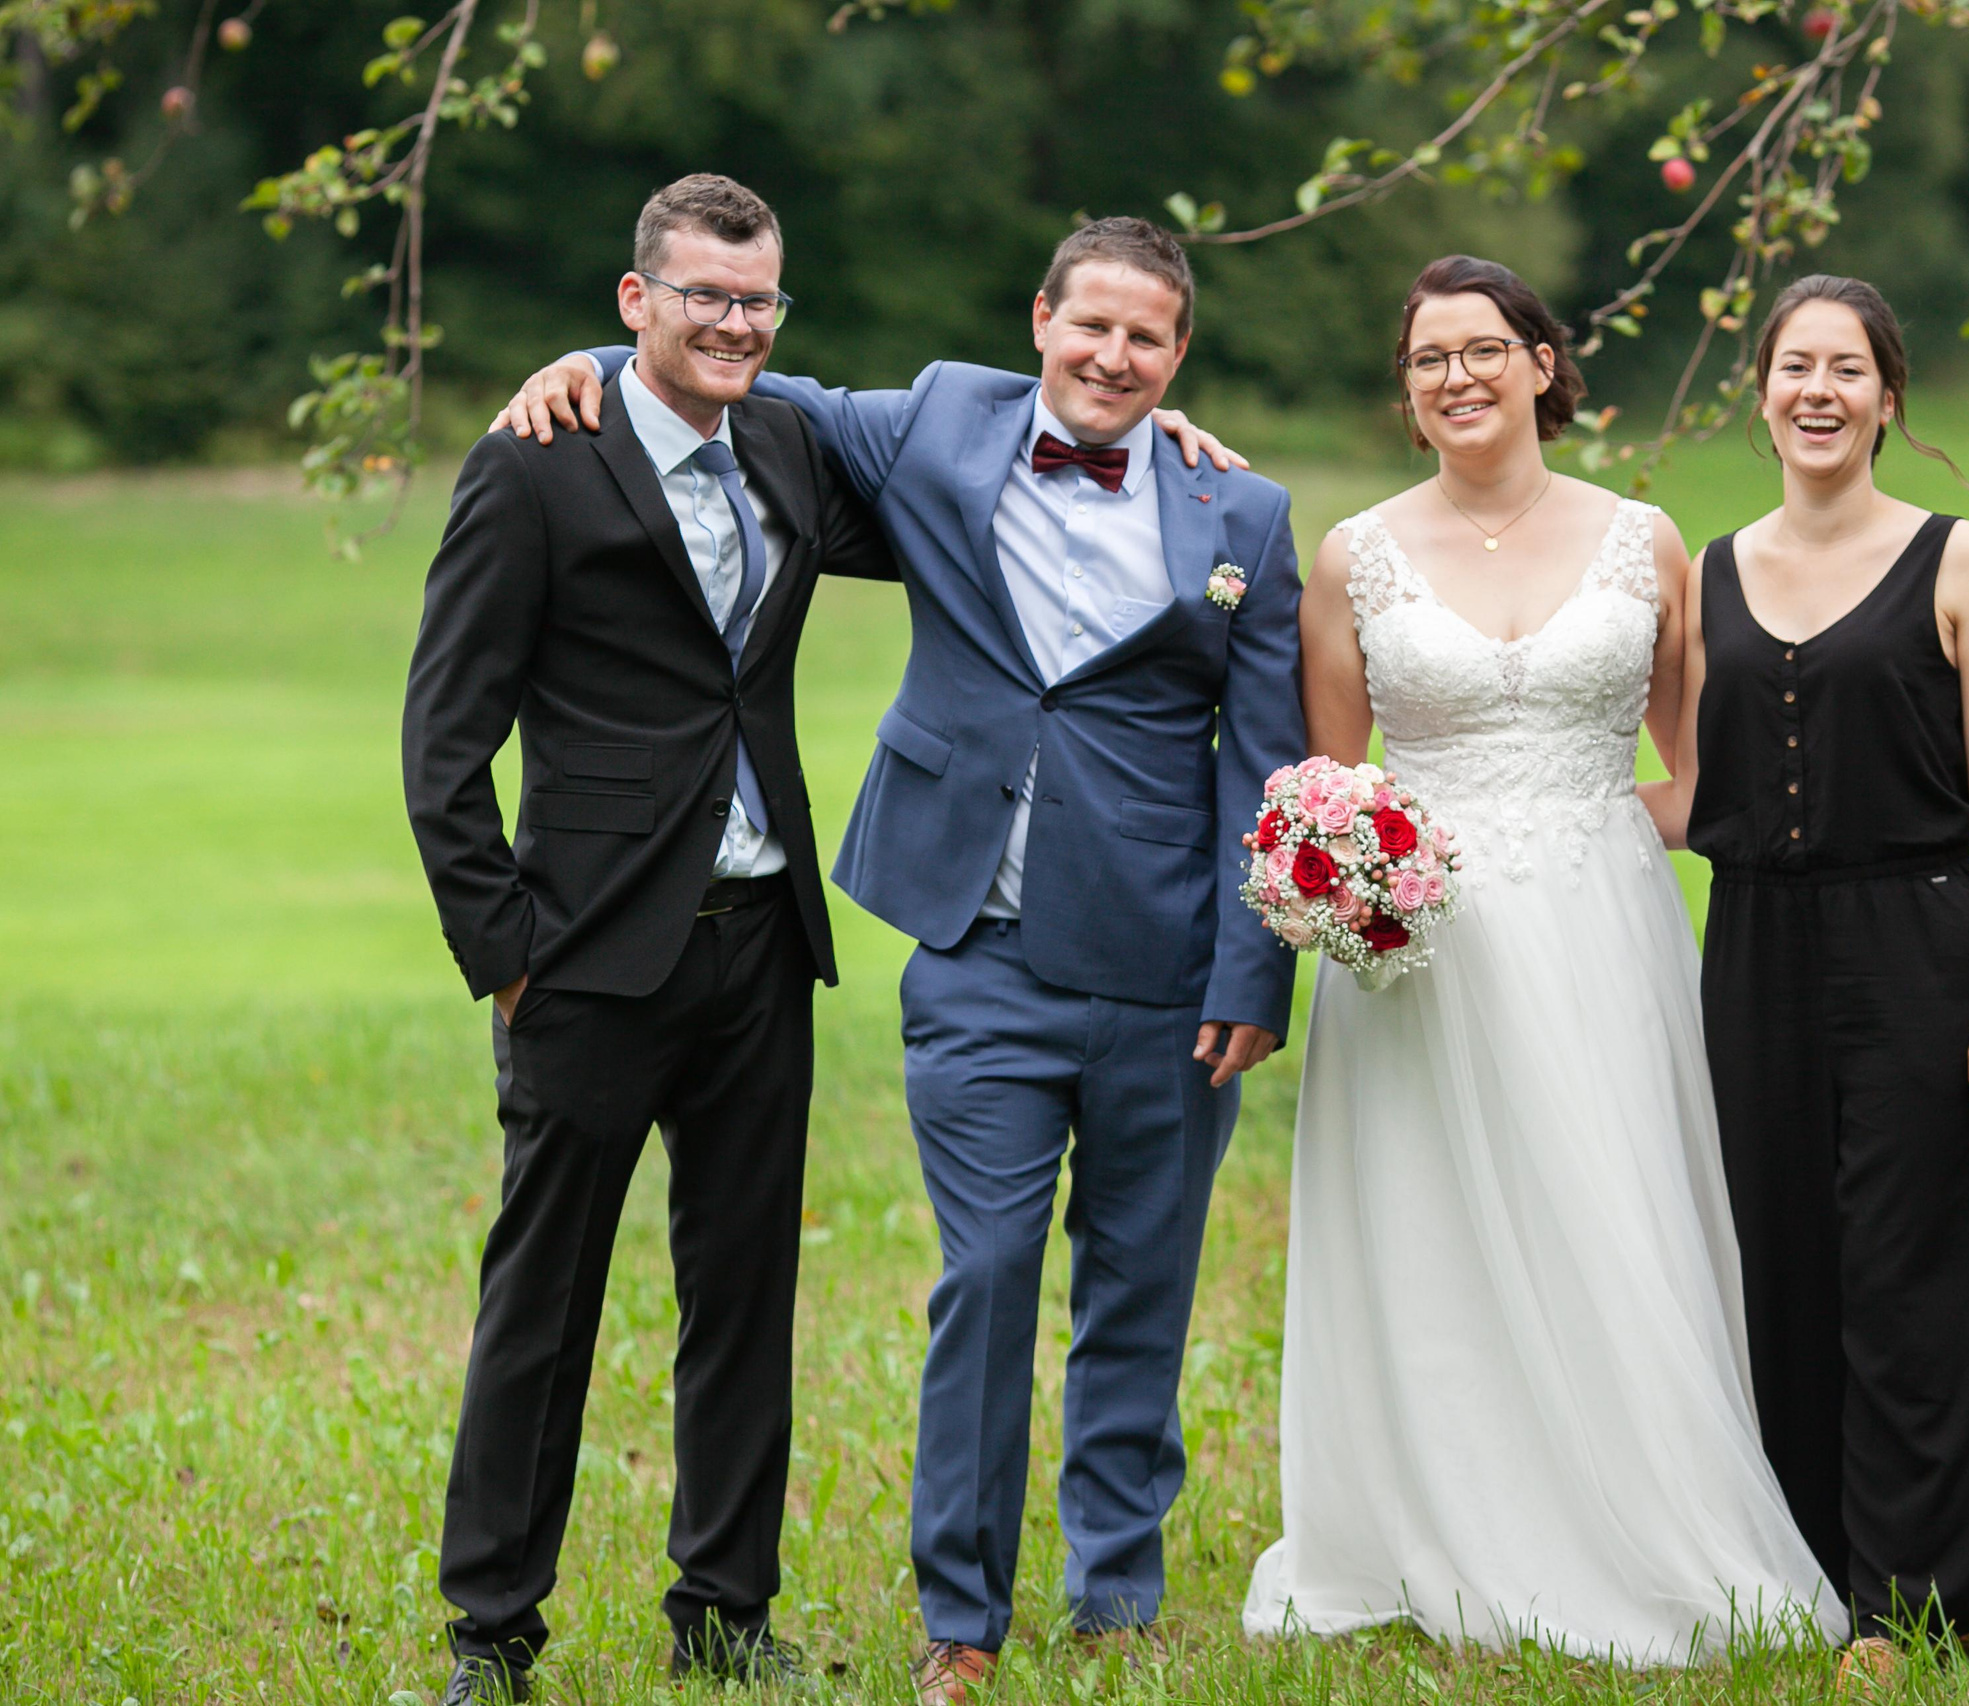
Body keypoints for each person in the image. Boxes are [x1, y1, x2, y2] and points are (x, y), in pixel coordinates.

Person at [493, 217, 1303, 1703]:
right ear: (1039, 318)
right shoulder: (938, 418)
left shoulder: (1238, 516)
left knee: (1141, 1282)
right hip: (976, 948)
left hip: (1165, 956)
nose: (1114, 357)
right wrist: (597, 358)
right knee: (985, 1274)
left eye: (1147, 338)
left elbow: (1266, 762)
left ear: (1180, 353)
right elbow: (729, 360)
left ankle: (1116, 1584)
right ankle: (962, 1617)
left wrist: (1253, 971)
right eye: (1091, 327)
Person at [1242, 255, 1848, 1663]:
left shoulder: (1645, 542)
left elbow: (1702, 777)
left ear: (1540, 364)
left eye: (1481, 349)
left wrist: (1563, 829)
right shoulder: (1356, 554)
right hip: (1416, 949)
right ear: (1408, 395)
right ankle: (1439, 1513)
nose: (1455, 376)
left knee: (1609, 1202)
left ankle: (1644, 1509)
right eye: (1425, 360)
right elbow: (1330, 784)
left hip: (1599, 918)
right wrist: (1373, 875)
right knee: (1430, 1220)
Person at [403, 174, 896, 1704]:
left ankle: (726, 1612)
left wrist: (1147, 434)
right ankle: (494, 1631)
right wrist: (507, 949)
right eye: (706, 296)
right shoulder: (536, 463)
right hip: (590, 955)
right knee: (541, 1301)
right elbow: (441, 738)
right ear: (638, 303)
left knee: (746, 1293)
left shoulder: (794, 449)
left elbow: (971, 470)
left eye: (760, 300)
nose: (737, 323)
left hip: (762, 942)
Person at [1665, 273, 1969, 1680]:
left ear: (1889, 396)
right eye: (1792, 366)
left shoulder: (1962, 559)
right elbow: (1694, 790)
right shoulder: (1710, 570)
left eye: (1847, 368)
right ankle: (1811, 1565)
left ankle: (1920, 1601)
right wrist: (1495, 821)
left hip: (1918, 939)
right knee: (1779, 1263)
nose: (1817, 391)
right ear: (1758, 391)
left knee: (1910, 1268)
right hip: (1751, 945)